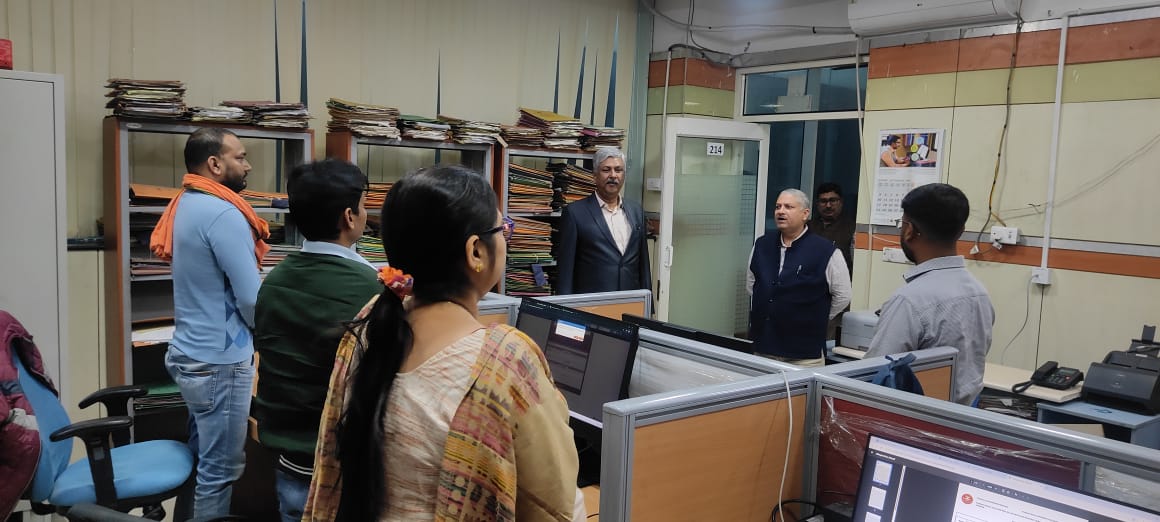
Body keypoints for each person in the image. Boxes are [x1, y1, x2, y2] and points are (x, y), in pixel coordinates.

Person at [303, 165, 585, 521]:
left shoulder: (370, 325)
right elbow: (556, 505)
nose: (506, 238)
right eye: (503, 229)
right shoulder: (504, 362)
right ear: (476, 251)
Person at [252, 159, 382, 522]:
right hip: (342, 468)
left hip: (290, 462)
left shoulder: (274, 282)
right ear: (349, 217)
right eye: (363, 205)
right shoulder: (372, 290)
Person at [149, 128, 266, 520]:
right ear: (215, 164)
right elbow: (250, 298)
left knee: (203, 460)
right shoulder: (223, 213)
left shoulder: (187, 201)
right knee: (220, 471)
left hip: (192, 352)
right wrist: (267, 334)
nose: (247, 166)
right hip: (219, 362)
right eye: (240, 157)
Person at [866, 183, 994, 406]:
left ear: (909, 230)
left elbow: (873, 376)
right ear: (961, 231)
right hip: (962, 417)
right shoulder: (979, 293)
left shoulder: (909, 301)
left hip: (916, 418)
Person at [747, 189, 851, 367]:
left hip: (804, 355)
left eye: (788, 207)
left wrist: (814, 316)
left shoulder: (825, 250)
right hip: (763, 348)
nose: (781, 211)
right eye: (778, 206)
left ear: (805, 214)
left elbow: (843, 296)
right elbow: (752, 285)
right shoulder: (762, 244)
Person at [556, 147, 651, 294]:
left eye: (618, 170)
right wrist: (564, 306)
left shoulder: (636, 211)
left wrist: (648, 303)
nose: (613, 175)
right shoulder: (575, 213)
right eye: (606, 170)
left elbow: (644, 267)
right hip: (593, 302)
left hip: (630, 300)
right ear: (595, 175)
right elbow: (565, 272)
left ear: (624, 175)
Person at [809, 182, 855, 274]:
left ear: (841, 202)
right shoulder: (807, 227)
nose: (828, 205)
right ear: (817, 203)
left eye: (833, 200)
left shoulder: (852, 228)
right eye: (823, 201)